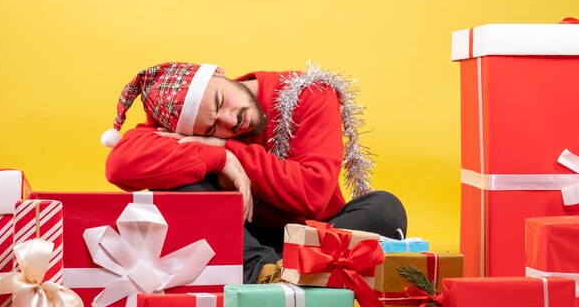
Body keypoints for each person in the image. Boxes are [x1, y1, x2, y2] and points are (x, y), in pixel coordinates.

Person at [102, 62, 407, 283]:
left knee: (384, 209)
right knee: (179, 186)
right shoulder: (181, 118)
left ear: (219, 73)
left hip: (318, 231)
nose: (230, 121)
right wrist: (218, 160)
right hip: (245, 240)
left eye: (221, 101)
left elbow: (312, 194)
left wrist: (228, 148)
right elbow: (120, 166)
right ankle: (270, 273)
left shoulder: (308, 94)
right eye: (211, 127)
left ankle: (284, 271)